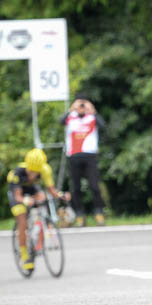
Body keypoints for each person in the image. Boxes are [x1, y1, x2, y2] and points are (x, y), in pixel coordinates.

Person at [7, 148, 69, 270]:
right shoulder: (17, 173)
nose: (33, 175)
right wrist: (25, 200)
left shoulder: (45, 170)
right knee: (21, 218)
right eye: (31, 172)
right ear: (27, 167)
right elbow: (17, 196)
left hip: (32, 189)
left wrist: (61, 195)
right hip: (17, 192)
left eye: (36, 172)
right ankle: (24, 254)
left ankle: (39, 244)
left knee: (42, 199)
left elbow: (52, 191)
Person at [60, 95, 106, 227]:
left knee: (94, 186)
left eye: (83, 104)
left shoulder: (91, 117)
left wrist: (92, 110)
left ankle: (99, 213)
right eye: (79, 104)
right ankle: (80, 215)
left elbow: (103, 125)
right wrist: (71, 109)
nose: (81, 107)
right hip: (74, 156)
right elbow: (60, 121)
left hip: (90, 156)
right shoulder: (71, 117)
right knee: (76, 188)